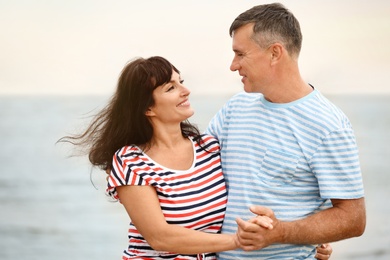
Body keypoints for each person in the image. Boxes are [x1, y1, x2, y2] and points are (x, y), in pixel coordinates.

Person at [59, 56, 332, 259]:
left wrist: (308, 242)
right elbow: (159, 237)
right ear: (147, 108)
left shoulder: (209, 148)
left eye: (181, 82)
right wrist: (239, 241)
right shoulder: (131, 161)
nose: (185, 90)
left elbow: (265, 183)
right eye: (170, 88)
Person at [206, 3, 366, 259]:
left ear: (275, 53)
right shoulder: (234, 108)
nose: (233, 66)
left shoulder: (328, 125)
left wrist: (281, 232)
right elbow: (192, 165)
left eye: (240, 54)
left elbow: (353, 219)